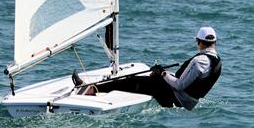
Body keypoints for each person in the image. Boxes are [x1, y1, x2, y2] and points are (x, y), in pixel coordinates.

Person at [72, 26, 222, 110]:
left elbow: (180, 84)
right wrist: (163, 73)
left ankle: (93, 89)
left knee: (135, 81)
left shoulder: (199, 61)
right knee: (150, 79)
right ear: (214, 43)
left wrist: (162, 73)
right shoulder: (215, 60)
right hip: (188, 102)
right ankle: (99, 89)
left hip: (177, 100)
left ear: (199, 42)